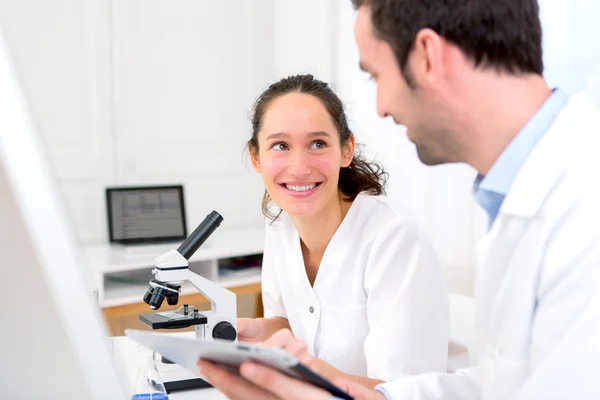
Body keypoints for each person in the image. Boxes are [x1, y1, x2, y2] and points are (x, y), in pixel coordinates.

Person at [197, 0, 600, 399]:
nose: (381, 107)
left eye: (376, 76)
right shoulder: (516, 198)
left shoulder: (581, 210)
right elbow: (495, 387)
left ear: (427, 57)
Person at [234, 74, 449, 388]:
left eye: (317, 144)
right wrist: (260, 331)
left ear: (346, 149)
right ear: (256, 157)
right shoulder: (279, 223)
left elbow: (403, 391)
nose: (298, 166)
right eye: (280, 145)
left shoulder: (393, 238)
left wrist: (307, 371)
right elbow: (294, 324)